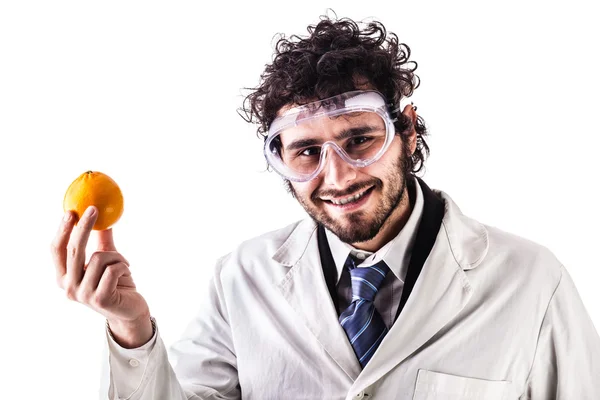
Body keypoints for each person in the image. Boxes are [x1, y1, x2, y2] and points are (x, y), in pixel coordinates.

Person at [51, 15, 600, 400]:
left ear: (406, 131)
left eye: (359, 139)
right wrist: (132, 330)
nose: (336, 177)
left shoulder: (531, 282)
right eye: (307, 152)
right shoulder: (241, 278)